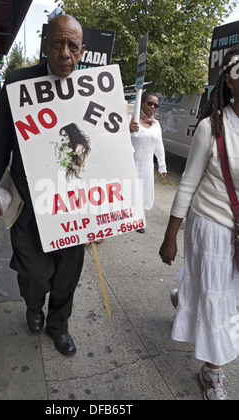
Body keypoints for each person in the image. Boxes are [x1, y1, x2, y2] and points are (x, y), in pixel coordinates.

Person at [0, 15, 86, 356]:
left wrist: (107, 214)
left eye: (72, 46)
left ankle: (58, 325)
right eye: (58, 43)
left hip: (73, 207)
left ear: (82, 52)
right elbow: (0, 144)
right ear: (45, 46)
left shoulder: (93, 89)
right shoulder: (17, 84)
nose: (65, 53)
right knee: (35, 275)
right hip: (28, 205)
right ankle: (32, 304)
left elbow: (106, 153)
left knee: (66, 276)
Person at [159, 45, 239, 400]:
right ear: (231, 82)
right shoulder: (213, 126)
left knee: (227, 295)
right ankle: (212, 371)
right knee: (218, 299)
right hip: (212, 226)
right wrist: (170, 237)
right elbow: (187, 183)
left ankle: (185, 295)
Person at [130, 93, 167, 232]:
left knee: (143, 192)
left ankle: (138, 220)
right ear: (142, 103)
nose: (152, 107)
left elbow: (159, 146)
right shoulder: (132, 119)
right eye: (149, 103)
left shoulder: (156, 125)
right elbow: (121, 138)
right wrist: (129, 130)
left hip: (146, 165)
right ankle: (125, 219)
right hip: (132, 163)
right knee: (130, 190)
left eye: (155, 105)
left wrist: (162, 166)